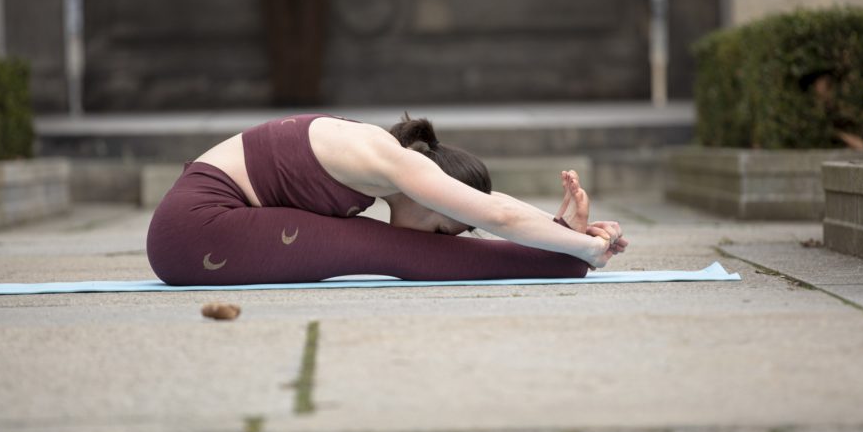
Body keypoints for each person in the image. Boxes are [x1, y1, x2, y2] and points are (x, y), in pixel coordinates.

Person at [147, 114, 629, 285]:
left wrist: (560, 231)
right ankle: (561, 263)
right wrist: (582, 251)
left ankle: (559, 257)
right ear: (434, 196)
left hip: (199, 227)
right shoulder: (392, 164)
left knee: (376, 243)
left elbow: (488, 204)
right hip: (196, 232)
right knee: (384, 248)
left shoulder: (399, 165)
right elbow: (495, 213)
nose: (441, 238)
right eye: (445, 228)